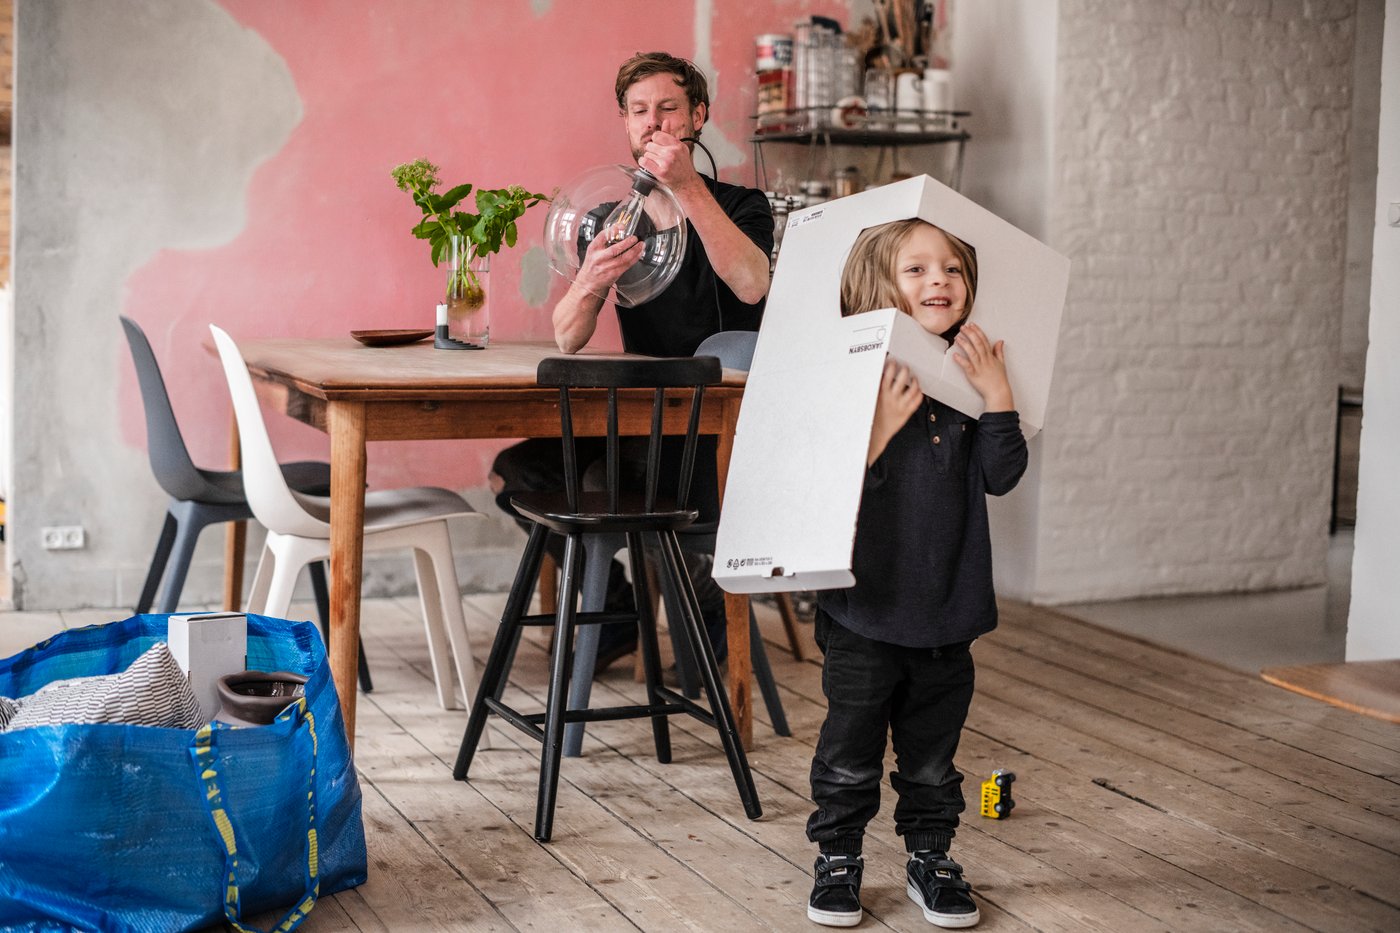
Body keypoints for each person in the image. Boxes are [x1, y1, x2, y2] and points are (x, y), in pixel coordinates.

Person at [489, 52, 773, 671]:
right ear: (625, 123)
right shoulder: (611, 220)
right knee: (518, 472)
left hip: (718, 434)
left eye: (669, 108)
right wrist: (588, 282)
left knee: (610, 485)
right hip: (642, 419)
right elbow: (567, 338)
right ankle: (616, 613)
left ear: (698, 116)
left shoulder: (744, 205)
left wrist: (688, 188)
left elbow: (753, 286)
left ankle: (696, 594)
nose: (654, 123)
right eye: (639, 112)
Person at [804, 218, 1027, 929]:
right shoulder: (857, 378)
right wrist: (875, 432)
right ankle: (837, 856)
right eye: (918, 270)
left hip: (948, 614)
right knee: (849, 751)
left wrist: (998, 397)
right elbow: (821, 493)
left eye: (953, 269)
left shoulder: (968, 383)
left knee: (933, 758)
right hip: (863, 613)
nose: (940, 281)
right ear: (879, 286)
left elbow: (1002, 474)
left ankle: (932, 856)